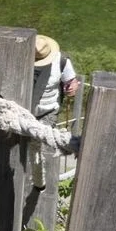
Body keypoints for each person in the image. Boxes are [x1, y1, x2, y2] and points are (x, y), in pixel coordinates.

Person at [29, 35, 79, 189]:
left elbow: (71, 81)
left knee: (35, 143)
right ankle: (36, 177)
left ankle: (39, 182)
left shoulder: (61, 61)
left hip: (48, 111)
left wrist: (72, 87)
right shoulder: (21, 58)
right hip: (24, 109)